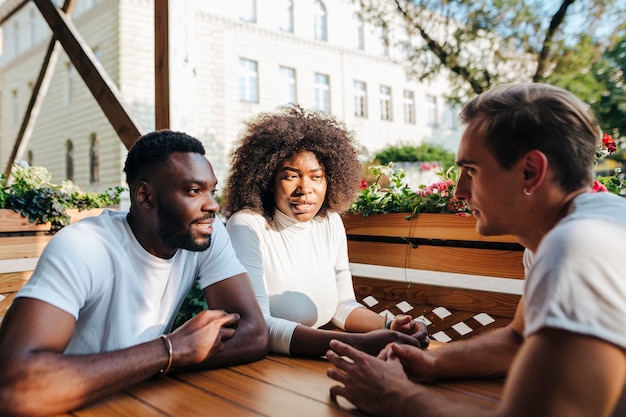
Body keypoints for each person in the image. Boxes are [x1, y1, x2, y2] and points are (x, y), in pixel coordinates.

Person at [326, 83, 626, 417]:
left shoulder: (577, 249)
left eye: (471, 170)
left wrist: (395, 396)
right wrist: (432, 360)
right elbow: (518, 339)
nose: (458, 191)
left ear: (531, 172)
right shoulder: (572, 229)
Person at [0, 130, 268, 416]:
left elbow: (253, 333)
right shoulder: (84, 246)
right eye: (193, 191)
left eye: (211, 191)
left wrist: (165, 360)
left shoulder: (205, 235)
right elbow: (13, 387)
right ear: (145, 195)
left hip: (139, 400)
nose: (212, 205)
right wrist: (168, 351)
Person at [222, 106, 429, 357]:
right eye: (291, 176)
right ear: (267, 179)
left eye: (316, 176)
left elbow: (342, 306)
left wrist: (388, 325)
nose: (305, 189)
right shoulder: (247, 226)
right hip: (267, 364)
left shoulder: (330, 222)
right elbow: (258, 327)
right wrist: (358, 344)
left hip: (317, 358)